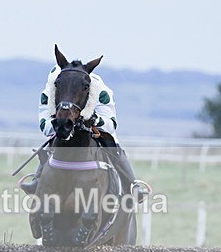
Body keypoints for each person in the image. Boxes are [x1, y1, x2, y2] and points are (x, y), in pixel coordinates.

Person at [20, 64, 152, 201]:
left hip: (95, 131)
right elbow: (45, 127)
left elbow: (111, 125)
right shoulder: (48, 93)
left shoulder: (100, 91)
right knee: (53, 142)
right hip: (64, 131)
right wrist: (61, 122)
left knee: (114, 145)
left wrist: (93, 118)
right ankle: (37, 180)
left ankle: (132, 186)